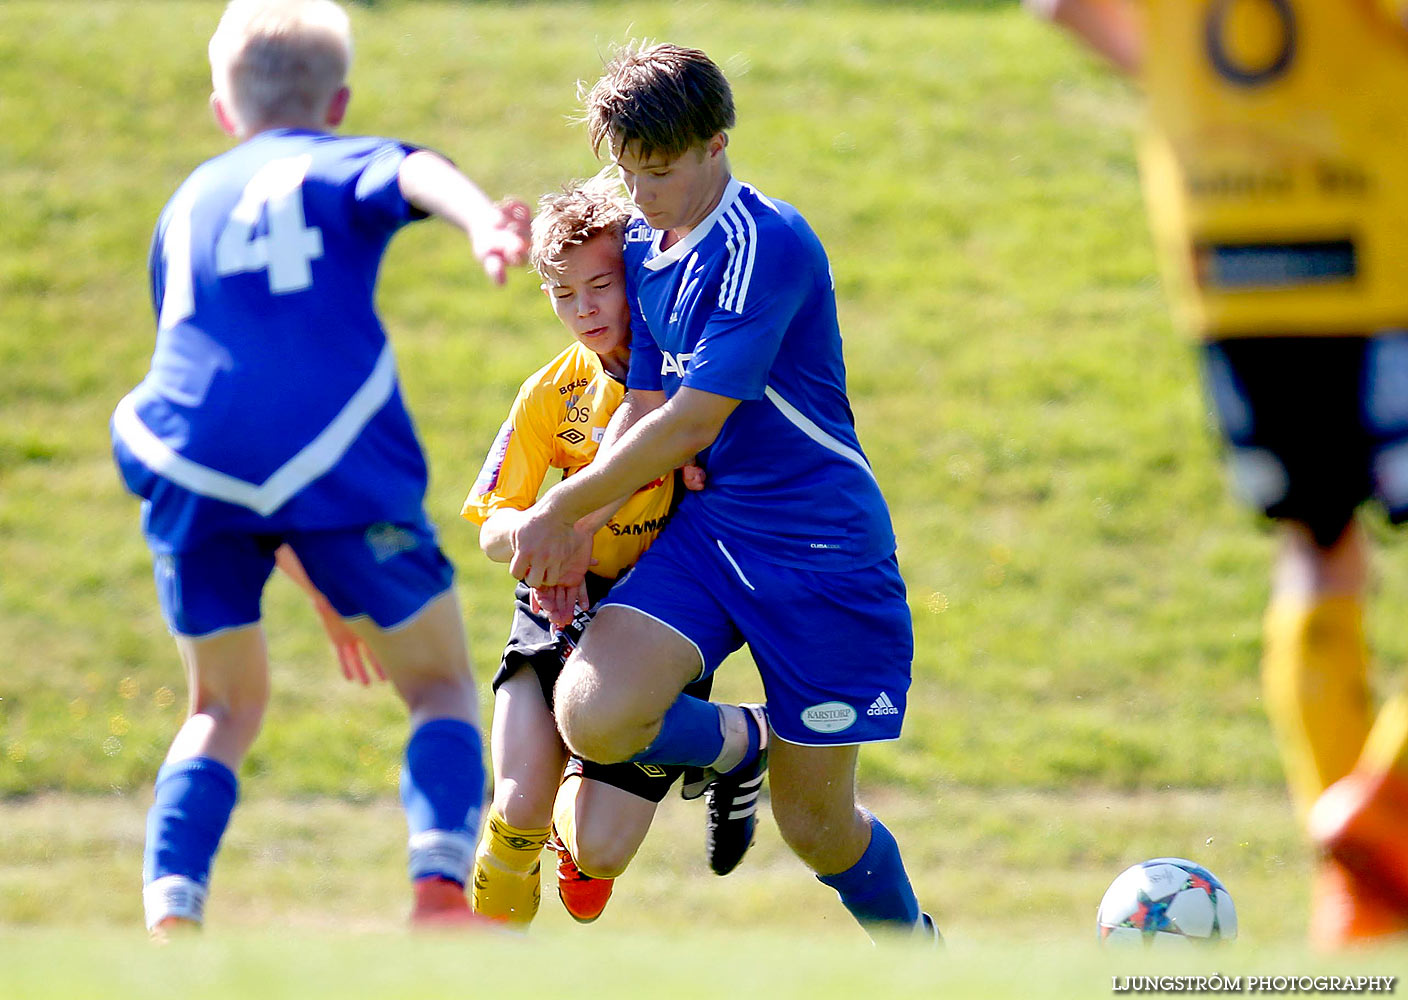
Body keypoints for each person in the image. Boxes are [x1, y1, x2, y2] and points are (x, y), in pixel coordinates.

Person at [110, 0, 529, 936]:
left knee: (220, 704)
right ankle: (436, 892)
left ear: (224, 111)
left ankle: (171, 919)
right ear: (337, 103)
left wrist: (316, 580)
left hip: (179, 448)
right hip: (331, 448)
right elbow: (413, 170)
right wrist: (479, 226)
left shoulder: (185, 204)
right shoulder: (339, 158)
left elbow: (234, 418)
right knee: (439, 685)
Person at [508, 42, 935, 942]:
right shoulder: (644, 243)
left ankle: (917, 954)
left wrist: (564, 509)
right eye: (626, 175)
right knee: (593, 712)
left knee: (817, 830)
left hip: (819, 556)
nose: (641, 195)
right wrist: (590, 513)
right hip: (710, 535)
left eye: (658, 172)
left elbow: (692, 423)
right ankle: (745, 741)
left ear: (717, 144)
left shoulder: (765, 243)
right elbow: (646, 402)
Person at [1029, 0, 1408, 949]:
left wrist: (1187, 94)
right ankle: (1382, 808)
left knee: (1319, 549)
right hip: (1380, 224)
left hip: (1230, 240)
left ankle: (1356, 889)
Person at [462, 180, 736, 926]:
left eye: (599, 286)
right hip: (558, 606)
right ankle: (486, 964)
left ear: (637, 275)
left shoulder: (694, 370)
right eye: (561, 294)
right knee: (514, 818)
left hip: (657, 616)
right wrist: (535, 543)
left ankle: (597, 804)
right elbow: (491, 519)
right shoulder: (550, 393)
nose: (582, 309)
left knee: (602, 857)